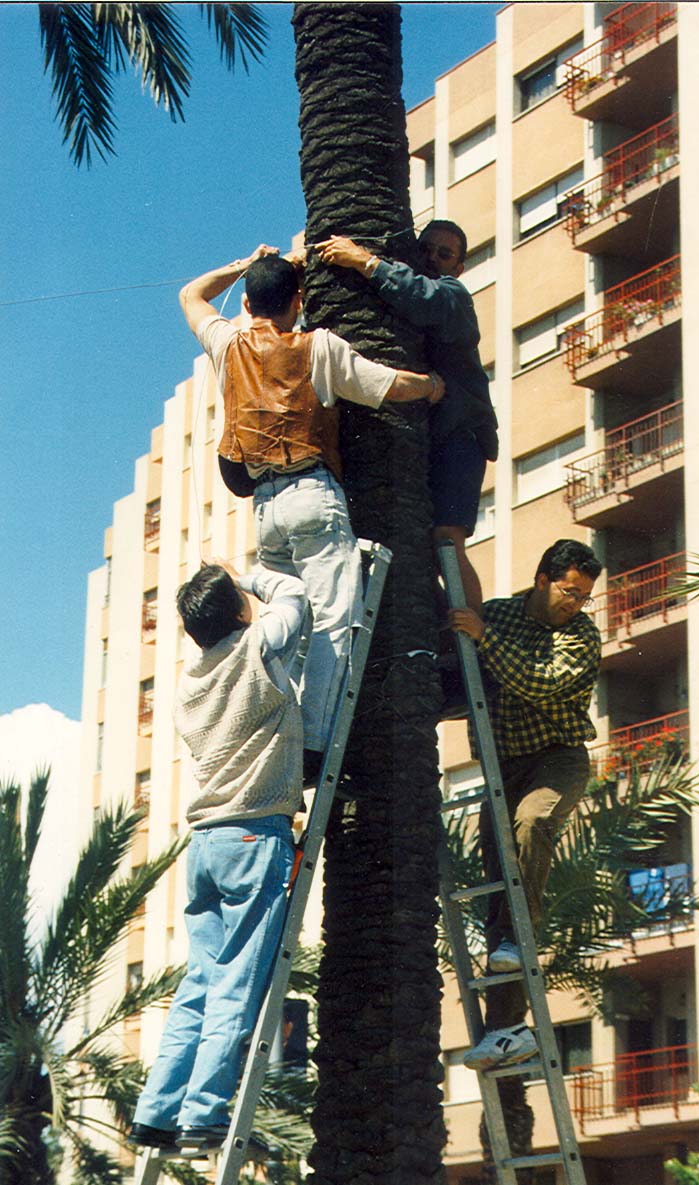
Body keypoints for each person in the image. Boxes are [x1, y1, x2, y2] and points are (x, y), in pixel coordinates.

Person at [179, 246, 444, 781]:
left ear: (249, 302)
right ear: (298, 301)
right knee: (332, 623)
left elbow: (191, 294)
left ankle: (281, 738)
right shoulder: (317, 346)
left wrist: (242, 264)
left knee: (290, 629)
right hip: (312, 496)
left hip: (265, 507)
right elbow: (389, 384)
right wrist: (434, 386)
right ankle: (313, 750)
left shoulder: (227, 343)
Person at [130, 560, 308, 1153]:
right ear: (237, 612)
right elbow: (297, 597)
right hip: (254, 839)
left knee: (201, 983)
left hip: (206, 845)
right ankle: (205, 1116)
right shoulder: (256, 648)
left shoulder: (187, 682)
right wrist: (253, 573)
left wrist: (232, 591)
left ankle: (157, 1112)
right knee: (236, 983)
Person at [449, 539, 603, 1070]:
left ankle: (518, 943)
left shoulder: (582, 636)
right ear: (542, 579)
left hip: (557, 759)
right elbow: (464, 673)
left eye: (583, 596)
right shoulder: (499, 615)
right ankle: (506, 1029)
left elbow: (541, 684)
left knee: (533, 822)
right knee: (500, 881)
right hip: (502, 764)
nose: (575, 604)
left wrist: (484, 639)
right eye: (569, 592)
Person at [315, 219, 498, 614]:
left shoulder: (453, 296)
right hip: (435, 436)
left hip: (462, 436)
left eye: (444, 254)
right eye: (426, 249)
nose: (432, 258)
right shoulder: (413, 299)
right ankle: (444, 632)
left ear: (459, 268)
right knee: (428, 550)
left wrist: (363, 261)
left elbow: (421, 296)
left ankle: (474, 631)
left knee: (447, 540)